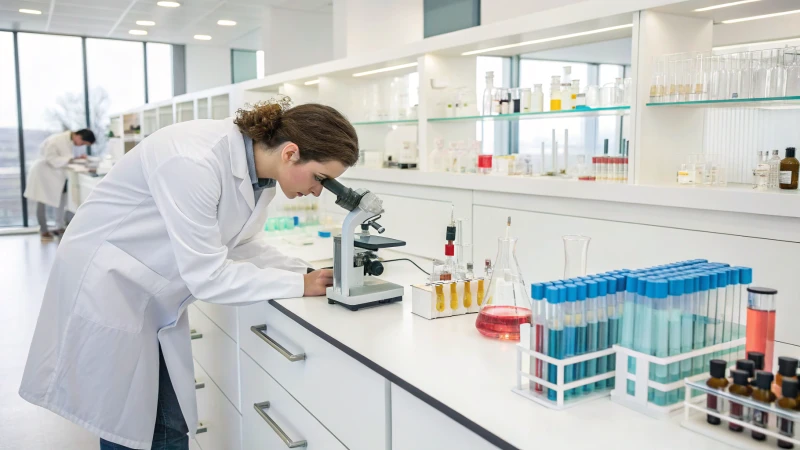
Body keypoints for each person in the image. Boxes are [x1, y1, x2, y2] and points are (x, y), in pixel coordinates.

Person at [18, 98, 359, 450]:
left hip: (149, 288)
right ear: (290, 152)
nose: (320, 191)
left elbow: (240, 244)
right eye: (321, 178)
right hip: (108, 285)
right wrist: (298, 284)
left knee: (164, 422)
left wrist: (304, 271)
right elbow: (207, 276)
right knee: (132, 424)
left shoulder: (259, 177)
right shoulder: (193, 160)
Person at [23, 128, 95, 241]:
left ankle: (59, 227)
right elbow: (51, 158)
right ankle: (44, 231)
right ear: (78, 136)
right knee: (41, 201)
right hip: (42, 173)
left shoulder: (69, 141)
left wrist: (74, 158)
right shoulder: (57, 140)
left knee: (61, 199)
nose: (81, 145)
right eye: (83, 143)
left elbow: (65, 157)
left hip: (55, 175)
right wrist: (71, 159)